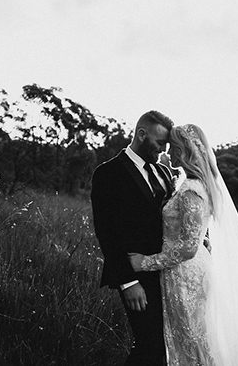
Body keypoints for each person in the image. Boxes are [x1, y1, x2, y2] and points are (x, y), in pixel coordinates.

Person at [128, 124, 238, 365]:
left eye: (173, 147)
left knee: (194, 342)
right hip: (182, 271)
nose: (169, 152)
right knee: (192, 340)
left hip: (186, 275)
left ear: (184, 151)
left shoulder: (191, 191)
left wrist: (144, 263)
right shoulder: (191, 183)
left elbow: (188, 248)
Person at [90, 110, 174, 365]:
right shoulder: (108, 173)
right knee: (150, 344)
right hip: (135, 274)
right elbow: (106, 232)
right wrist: (128, 282)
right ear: (141, 134)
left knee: (165, 345)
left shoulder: (164, 173)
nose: (164, 150)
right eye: (160, 142)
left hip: (168, 273)